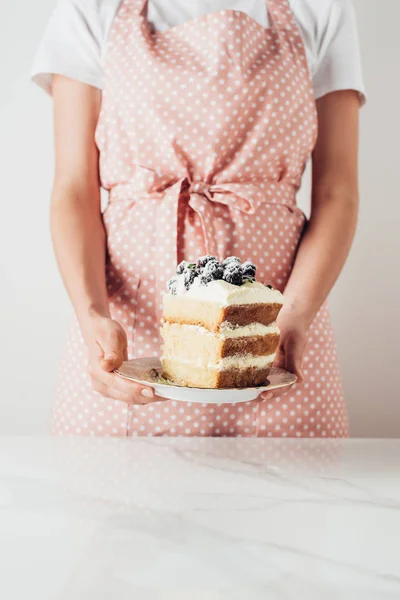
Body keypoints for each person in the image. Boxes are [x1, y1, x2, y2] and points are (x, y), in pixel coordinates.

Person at [32, 0, 365, 437]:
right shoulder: (91, 8)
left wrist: (295, 316)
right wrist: (92, 312)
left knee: (296, 501)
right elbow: (74, 188)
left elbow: (336, 191)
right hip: (131, 345)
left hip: (277, 343)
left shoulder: (321, 9)